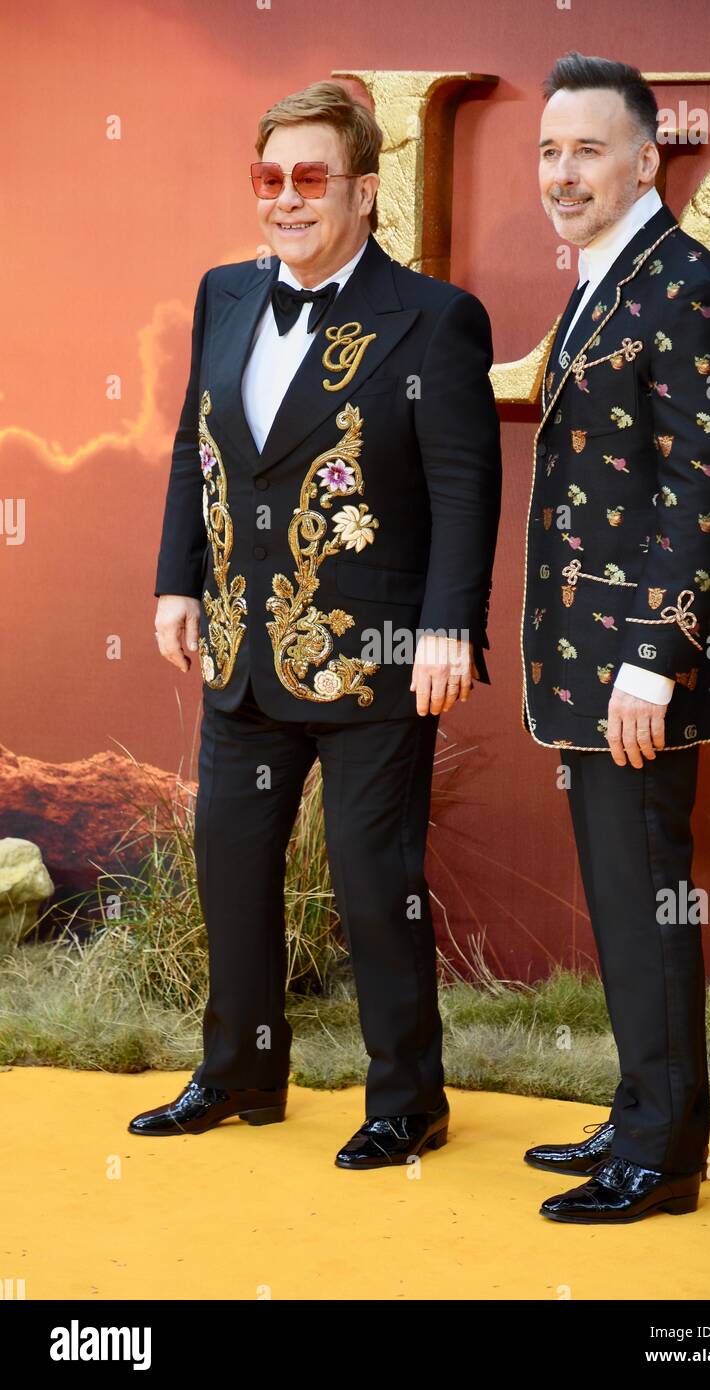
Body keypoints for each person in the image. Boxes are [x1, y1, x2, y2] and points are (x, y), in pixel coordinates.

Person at [130, 81, 502, 1168]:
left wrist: (448, 628)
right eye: (268, 178)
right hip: (242, 647)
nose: (284, 200)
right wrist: (176, 580)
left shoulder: (433, 317)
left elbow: (465, 485)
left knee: (372, 874)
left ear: (364, 191)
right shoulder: (223, 294)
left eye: (308, 179)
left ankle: (406, 1099)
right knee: (229, 863)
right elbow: (193, 447)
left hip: (375, 656)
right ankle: (241, 1071)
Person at [520, 53, 710, 1222]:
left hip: (634, 671)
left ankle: (661, 1159)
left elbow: (701, 494)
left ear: (644, 158)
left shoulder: (684, 288)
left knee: (646, 894)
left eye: (586, 150)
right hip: (592, 666)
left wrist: (649, 661)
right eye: (549, 151)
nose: (562, 173)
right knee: (623, 898)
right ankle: (641, 1107)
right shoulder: (608, 276)